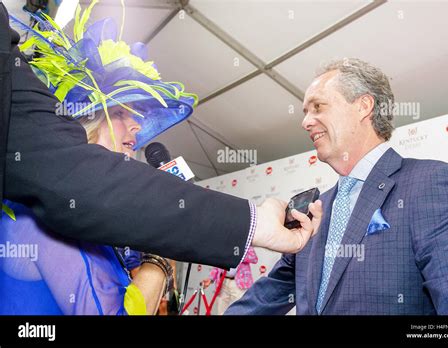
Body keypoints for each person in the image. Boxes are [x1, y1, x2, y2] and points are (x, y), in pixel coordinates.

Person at [0, 1, 322, 272]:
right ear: (87, 118)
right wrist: (161, 262)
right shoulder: (42, 220)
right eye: (122, 113)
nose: (137, 127)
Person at [226, 58, 448, 315]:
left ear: (363, 106)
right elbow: (266, 297)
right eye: (305, 112)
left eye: (318, 107)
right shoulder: (314, 211)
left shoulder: (432, 183)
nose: (306, 122)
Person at [1, 104, 172, 315]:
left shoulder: (85, 206)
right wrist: (163, 251)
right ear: (84, 126)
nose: (137, 125)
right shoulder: (52, 204)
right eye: (119, 113)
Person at [202, 246, 258, 314]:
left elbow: (254, 258)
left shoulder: (244, 243)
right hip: (223, 282)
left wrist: (237, 252)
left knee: (240, 310)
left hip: (238, 283)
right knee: (221, 311)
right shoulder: (223, 244)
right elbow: (217, 265)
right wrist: (210, 279)